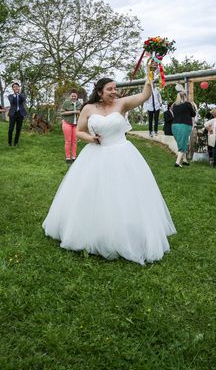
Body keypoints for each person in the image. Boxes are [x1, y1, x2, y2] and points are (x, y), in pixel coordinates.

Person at [42, 72, 176, 265]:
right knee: (93, 194)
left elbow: (145, 95)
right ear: (99, 92)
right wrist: (92, 139)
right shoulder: (88, 108)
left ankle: (126, 231)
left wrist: (150, 75)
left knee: (124, 194)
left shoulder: (122, 104)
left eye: (115, 88)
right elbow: (79, 130)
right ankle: (92, 231)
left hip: (122, 153)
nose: (115, 92)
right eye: (110, 89)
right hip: (96, 154)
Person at [171, 91, 196, 167]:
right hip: (184, 126)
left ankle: (184, 160)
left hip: (174, 126)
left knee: (182, 142)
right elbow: (193, 114)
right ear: (185, 96)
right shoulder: (188, 104)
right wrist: (192, 107)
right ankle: (177, 163)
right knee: (182, 143)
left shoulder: (174, 105)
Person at [60, 89, 82, 163]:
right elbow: (62, 113)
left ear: (77, 96)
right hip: (67, 123)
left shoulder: (79, 104)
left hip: (76, 124)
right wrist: (74, 111)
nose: (73, 97)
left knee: (75, 141)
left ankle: (74, 156)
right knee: (68, 140)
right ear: (70, 96)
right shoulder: (66, 103)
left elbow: (81, 113)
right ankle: (68, 157)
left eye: (75, 96)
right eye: (72, 96)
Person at [7, 82, 27, 146]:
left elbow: (23, 99)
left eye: (17, 86)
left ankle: (16, 142)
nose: (16, 88)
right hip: (13, 114)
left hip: (20, 114)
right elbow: (11, 101)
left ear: (19, 87)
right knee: (11, 128)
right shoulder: (10, 96)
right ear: (13, 88)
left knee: (18, 128)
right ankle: (9, 142)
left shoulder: (22, 95)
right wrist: (15, 94)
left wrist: (19, 93)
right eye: (14, 87)